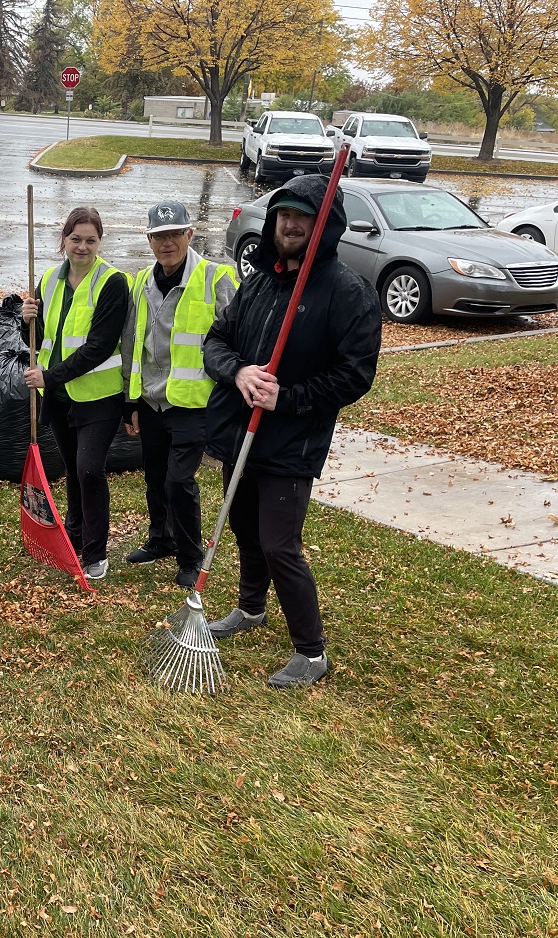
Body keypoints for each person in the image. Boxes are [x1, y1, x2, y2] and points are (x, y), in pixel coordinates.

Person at [202, 174, 381, 688]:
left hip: (292, 441)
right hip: (240, 433)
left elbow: (355, 374)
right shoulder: (260, 280)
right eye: (284, 215)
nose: (291, 224)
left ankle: (311, 651)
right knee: (243, 528)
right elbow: (216, 341)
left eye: (304, 216)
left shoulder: (348, 293)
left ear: (327, 226)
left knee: (281, 544)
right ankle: (251, 608)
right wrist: (238, 372)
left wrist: (288, 397)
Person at [122, 200, 238, 588]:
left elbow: (238, 337)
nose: (167, 243)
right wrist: (132, 400)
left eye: (175, 235)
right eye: (159, 236)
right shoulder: (140, 282)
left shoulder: (216, 277)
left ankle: (191, 558)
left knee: (178, 481)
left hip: (193, 402)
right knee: (156, 477)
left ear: (190, 235)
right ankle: (161, 540)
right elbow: (131, 344)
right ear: (150, 239)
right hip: (152, 400)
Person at [21, 206, 130, 581]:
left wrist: (49, 377)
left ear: (100, 242)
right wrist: (27, 319)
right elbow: (39, 339)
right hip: (61, 398)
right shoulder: (49, 278)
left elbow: (99, 346)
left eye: (90, 240)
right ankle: (76, 532)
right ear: (64, 240)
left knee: (89, 470)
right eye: (75, 239)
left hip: (99, 396)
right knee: (72, 469)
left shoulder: (112, 282)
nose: (82, 246)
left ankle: (96, 551)